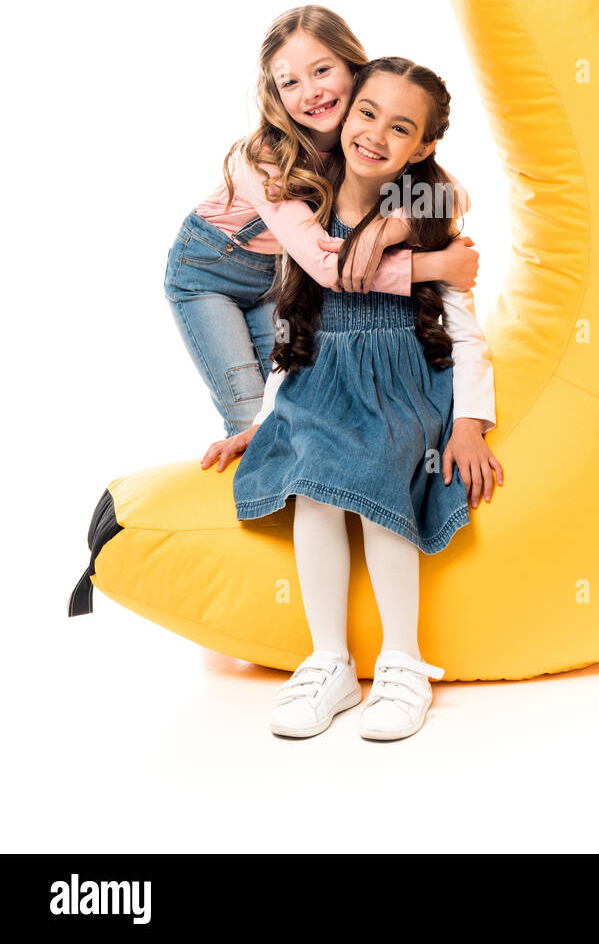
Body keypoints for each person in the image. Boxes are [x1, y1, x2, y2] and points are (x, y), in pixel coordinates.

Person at [228, 56, 504, 742]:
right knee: (313, 478)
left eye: (401, 127)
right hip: (319, 375)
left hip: (400, 378)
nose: (376, 134)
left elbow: (465, 332)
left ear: (425, 147)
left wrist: (468, 424)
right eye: (367, 114)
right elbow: (291, 328)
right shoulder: (307, 209)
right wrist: (260, 421)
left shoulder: (431, 215)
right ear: (344, 116)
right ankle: (328, 663)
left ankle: (402, 663)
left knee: (383, 465)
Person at [164, 4, 479, 435]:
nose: (310, 92)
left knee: (283, 408)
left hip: (281, 274)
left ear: (355, 68)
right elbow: (330, 269)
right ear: (275, 94)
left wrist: (387, 230)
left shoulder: (362, 137)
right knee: (246, 411)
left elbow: (452, 192)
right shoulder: (259, 161)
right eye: (289, 82)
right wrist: (433, 267)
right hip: (208, 273)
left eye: (322, 71)